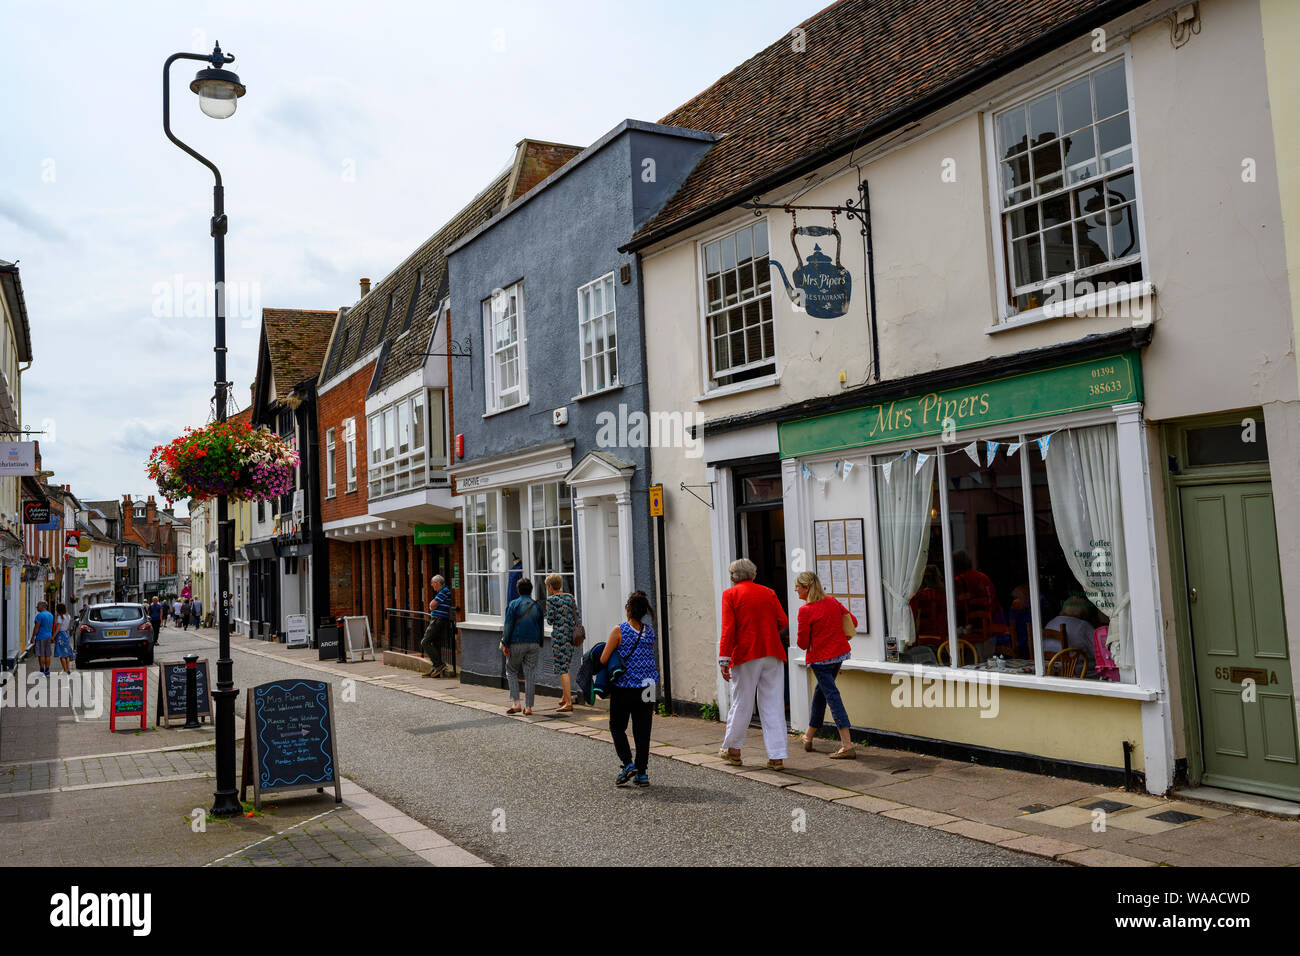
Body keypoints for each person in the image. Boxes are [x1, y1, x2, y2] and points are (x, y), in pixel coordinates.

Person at [718, 558, 789, 770]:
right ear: (753, 574)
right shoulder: (768, 592)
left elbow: (728, 629)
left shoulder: (730, 595)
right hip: (772, 652)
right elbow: (783, 621)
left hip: (746, 653)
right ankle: (777, 756)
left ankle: (734, 750)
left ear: (732, 576)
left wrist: (724, 658)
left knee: (742, 701)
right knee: (773, 703)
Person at [794, 572, 858, 759]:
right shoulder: (832, 601)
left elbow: (803, 644)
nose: (795, 589)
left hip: (820, 659)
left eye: (797, 586)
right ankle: (808, 736)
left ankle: (847, 745)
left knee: (831, 695)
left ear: (806, 588)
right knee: (821, 693)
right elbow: (852, 621)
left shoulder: (805, 611)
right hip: (838, 655)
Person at [601, 590, 658, 787]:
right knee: (643, 730)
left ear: (628, 610)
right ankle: (642, 773)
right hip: (648, 686)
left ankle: (627, 764)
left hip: (625, 686)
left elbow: (604, 658)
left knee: (617, 727)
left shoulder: (619, 630)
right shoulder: (649, 631)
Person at [501, 578, 544, 715]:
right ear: (531, 590)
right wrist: (540, 642)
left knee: (511, 670)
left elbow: (508, 626)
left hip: (517, 642)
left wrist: (505, 643)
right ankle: (529, 707)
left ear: (518, 590)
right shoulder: (537, 606)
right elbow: (541, 626)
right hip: (534, 643)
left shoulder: (513, 604)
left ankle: (516, 703)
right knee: (530, 673)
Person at [544, 574, 579, 712]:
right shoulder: (570, 597)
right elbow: (577, 616)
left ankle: (568, 702)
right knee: (566, 666)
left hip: (559, 637)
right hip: (570, 636)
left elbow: (550, 620)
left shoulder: (551, 600)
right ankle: (565, 697)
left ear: (550, 587)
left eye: (547, 587)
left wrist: (549, 612)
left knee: (562, 668)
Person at [421, 574, 453, 678]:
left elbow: (432, 605)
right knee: (435, 644)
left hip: (438, 621)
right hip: (438, 620)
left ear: (437, 583)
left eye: (432, 583)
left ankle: (439, 665)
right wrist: (432, 605)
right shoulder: (442, 591)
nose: (431, 585)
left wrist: (432, 605)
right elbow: (432, 605)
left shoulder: (443, 591)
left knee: (425, 642)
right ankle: (436, 668)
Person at [31, 601, 54, 676]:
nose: (36, 607)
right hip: (48, 635)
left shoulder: (39, 615)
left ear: (42, 606)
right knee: (47, 654)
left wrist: (33, 637)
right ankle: (47, 671)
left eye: (38, 606)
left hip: (41, 636)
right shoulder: (50, 615)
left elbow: (36, 627)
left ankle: (41, 671)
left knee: (41, 654)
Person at [53, 603, 73, 675]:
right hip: (66, 634)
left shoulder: (60, 618)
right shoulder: (68, 616)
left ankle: (65, 670)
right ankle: (68, 669)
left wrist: (53, 636)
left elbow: (58, 628)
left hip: (60, 635)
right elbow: (68, 627)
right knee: (67, 653)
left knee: (61, 654)